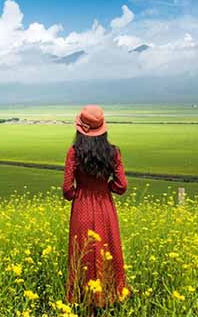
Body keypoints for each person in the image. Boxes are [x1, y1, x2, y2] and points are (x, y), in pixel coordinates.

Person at [63, 105, 131, 314]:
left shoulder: (74, 152)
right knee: (107, 251)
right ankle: (109, 298)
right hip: (105, 208)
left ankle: (84, 302)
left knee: (83, 253)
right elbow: (121, 186)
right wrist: (104, 188)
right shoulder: (113, 152)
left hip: (82, 208)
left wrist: (79, 194)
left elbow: (67, 190)